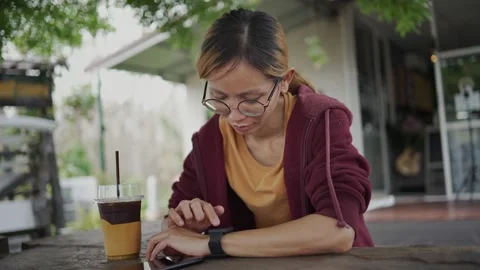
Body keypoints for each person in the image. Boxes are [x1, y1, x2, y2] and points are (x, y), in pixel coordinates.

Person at [146, 8, 374, 260]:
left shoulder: (320, 120)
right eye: (219, 98)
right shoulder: (209, 140)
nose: (234, 116)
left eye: (251, 100)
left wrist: (214, 243)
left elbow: (338, 231)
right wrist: (185, 225)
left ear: (284, 81)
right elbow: (172, 224)